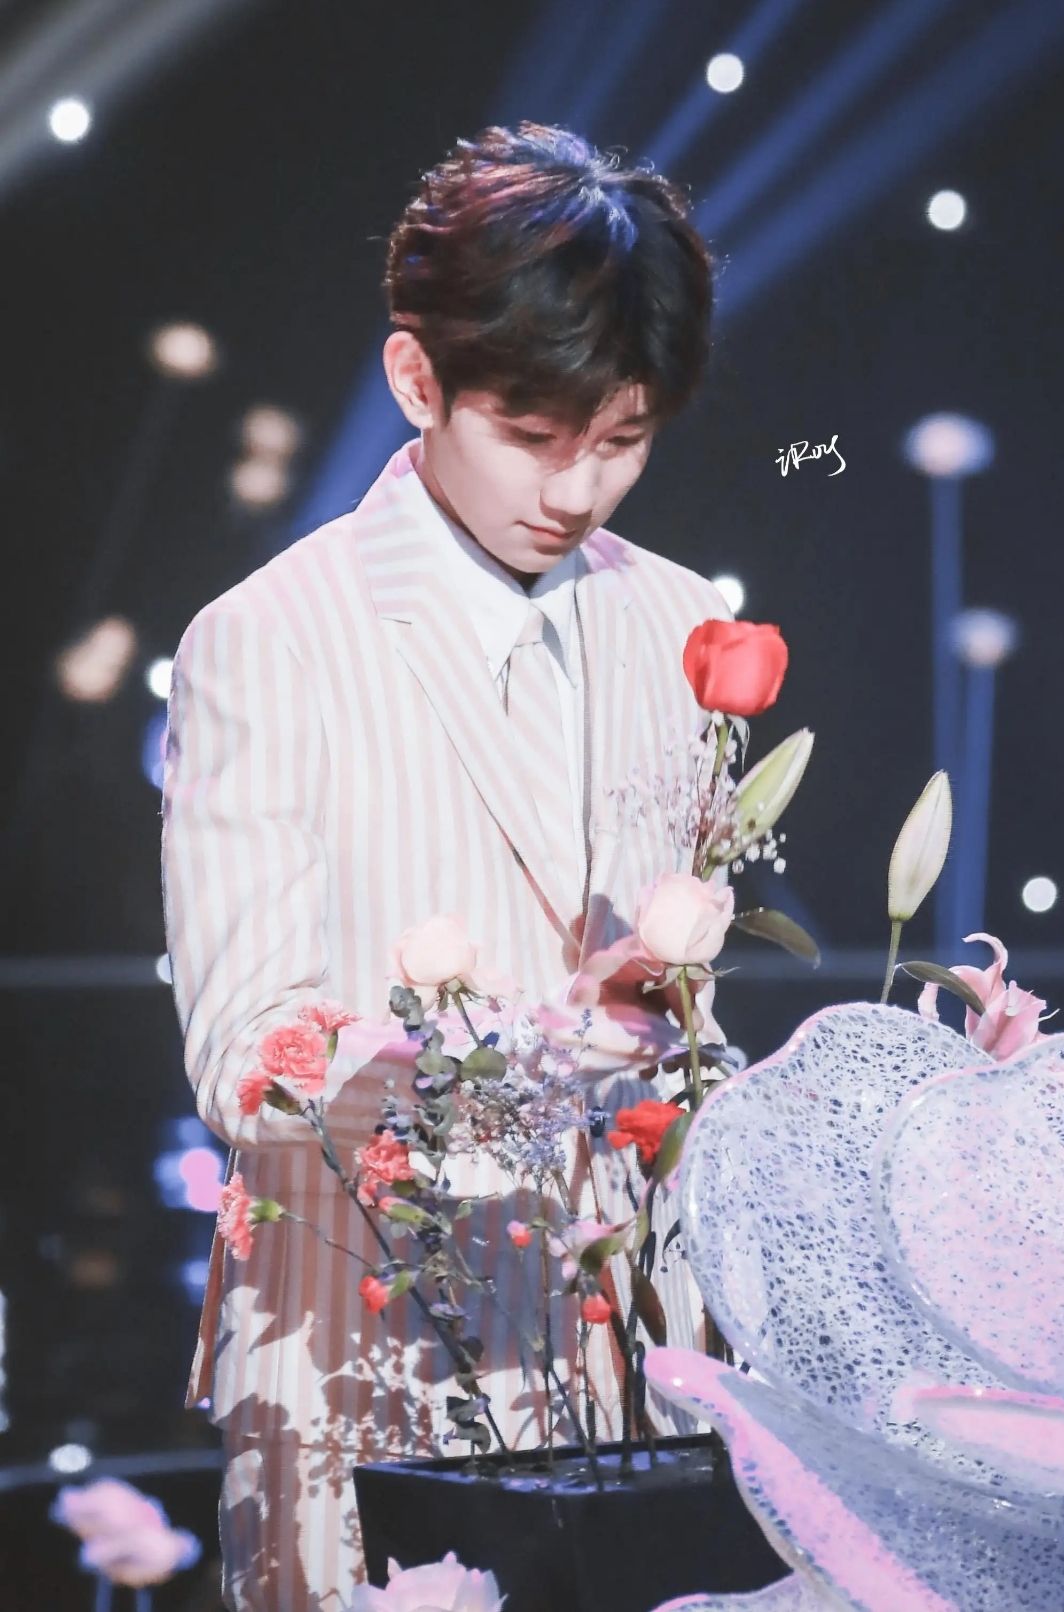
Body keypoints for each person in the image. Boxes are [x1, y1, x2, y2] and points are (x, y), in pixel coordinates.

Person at [161, 120, 732, 1611]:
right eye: (536, 437)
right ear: (418, 380)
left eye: (624, 440)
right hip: (368, 1344)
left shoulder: (681, 624)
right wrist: (529, 1058)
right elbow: (248, 1056)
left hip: (633, 1356)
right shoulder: (269, 640)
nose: (580, 489)